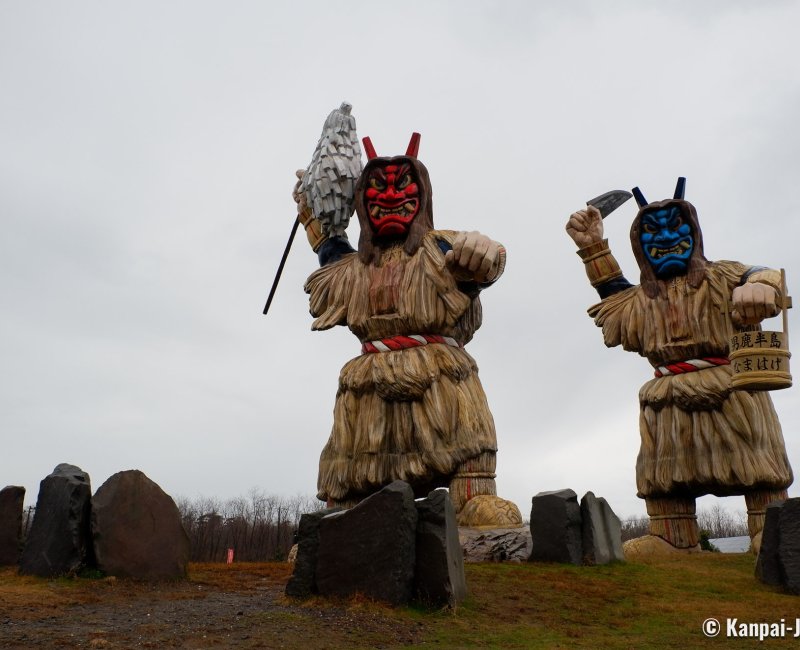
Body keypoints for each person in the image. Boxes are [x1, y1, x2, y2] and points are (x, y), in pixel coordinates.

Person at [294, 133, 519, 526]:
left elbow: (486, 261)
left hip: (440, 377)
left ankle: (472, 499)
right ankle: (345, 520)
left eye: (403, 186)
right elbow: (330, 248)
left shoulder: (439, 249)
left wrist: (484, 253)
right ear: (362, 202)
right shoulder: (352, 269)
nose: (391, 196)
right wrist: (313, 210)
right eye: (377, 188)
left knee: (464, 448)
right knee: (354, 468)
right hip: (369, 384)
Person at [566, 179, 793, 552]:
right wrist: (592, 246)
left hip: (732, 387)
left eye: (677, 226)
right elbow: (615, 298)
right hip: (667, 396)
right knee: (665, 474)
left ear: (695, 233)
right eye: (653, 231)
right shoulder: (642, 298)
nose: (667, 237)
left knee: (759, 469)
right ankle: (671, 536)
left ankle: (770, 530)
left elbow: (761, 273)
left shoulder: (723, 276)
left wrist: (762, 287)